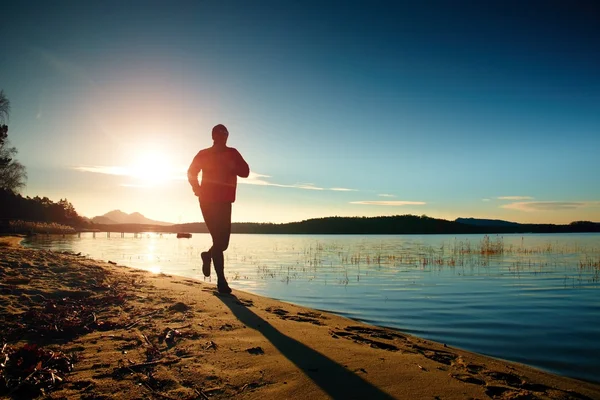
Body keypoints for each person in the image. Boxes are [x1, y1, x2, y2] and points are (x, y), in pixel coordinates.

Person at [187, 124, 250, 294]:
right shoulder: (203, 154)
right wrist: (196, 188)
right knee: (218, 239)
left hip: (225, 202)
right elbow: (191, 171)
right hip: (207, 201)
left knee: (223, 243)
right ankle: (221, 282)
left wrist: (232, 166)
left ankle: (207, 256)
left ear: (227, 137)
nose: (223, 137)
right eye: (220, 134)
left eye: (225, 134)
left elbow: (246, 172)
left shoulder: (233, 153)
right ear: (213, 136)